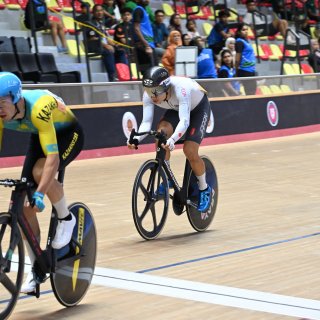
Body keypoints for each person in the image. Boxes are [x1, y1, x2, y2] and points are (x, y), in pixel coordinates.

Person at [0, 72, 84, 293]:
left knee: (40, 172)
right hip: (40, 134)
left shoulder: (39, 107)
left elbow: (53, 159)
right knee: (25, 211)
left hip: (67, 133)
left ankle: (66, 218)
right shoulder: (4, 114)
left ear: (16, 97)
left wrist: (40, 192)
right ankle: (36, 267)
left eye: (2, 103)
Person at [127, 66, 212, 212]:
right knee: (161, 134)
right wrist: (135, 139)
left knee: (189, 150)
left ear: (166, 87)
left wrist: (172, 140)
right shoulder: (149, 94)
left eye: (155, 91)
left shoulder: (181, 88)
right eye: (148, 90)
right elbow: (146, 122)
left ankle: (204, 189)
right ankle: (168, 179)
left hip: (198, 109)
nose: (152, 96)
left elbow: (184, 121)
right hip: (176, 109)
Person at [86, 4, 117, 82]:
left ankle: (123, 74)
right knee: (108, 52)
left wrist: (113, 44)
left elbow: (105, 37)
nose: (99, 13)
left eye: (101, 11)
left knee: (120, 51)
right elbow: (93, 38)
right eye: (97, 11)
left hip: (103, 46)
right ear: (93, 12)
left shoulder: (101, 23)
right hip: (95, 46)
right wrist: (106, 45)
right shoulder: (90, 23)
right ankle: (112, 77)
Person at [132, 0, 157, 75]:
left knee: (154, 72)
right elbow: (136, 28)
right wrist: (146, 46)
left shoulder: (143, 10)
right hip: (143, 46)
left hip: (148, 44)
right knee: (148, 74)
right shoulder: (138, 10)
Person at [235, 23, 257, 95]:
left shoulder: (246, 41)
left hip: (251, 69)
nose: (246, 31)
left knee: (253, 91)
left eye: (247, 30)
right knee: (250, 92)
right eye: (243, 30)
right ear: (239, 32)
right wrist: (237, 71)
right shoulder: (239, 42)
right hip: (245, 70)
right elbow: (238, 58)